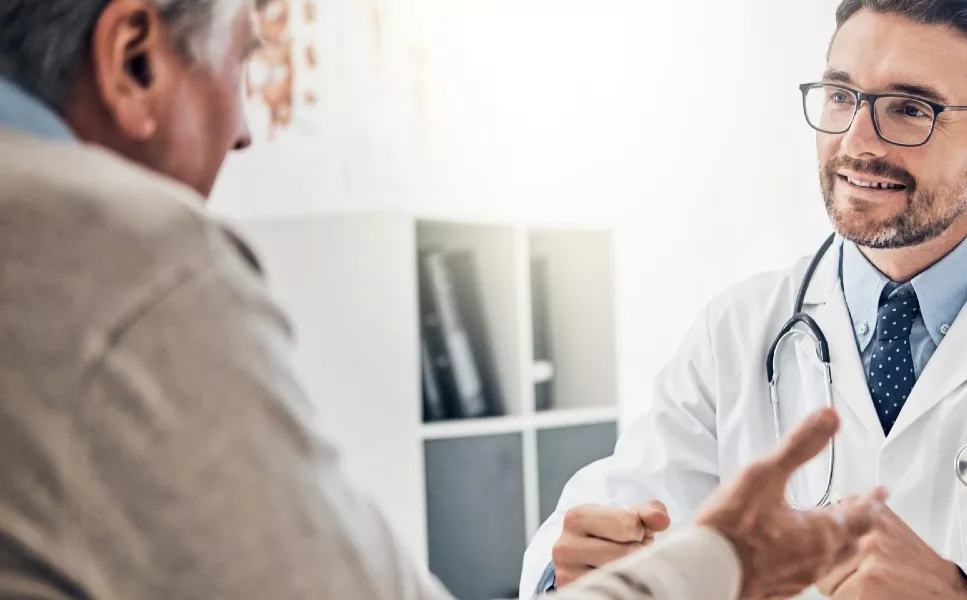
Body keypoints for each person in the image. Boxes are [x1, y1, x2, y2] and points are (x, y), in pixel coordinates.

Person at [0, 1, 886, 598]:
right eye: (243, 61)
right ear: (133, 58)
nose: (243, 127)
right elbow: (595, 522)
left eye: (911, 108)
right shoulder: (128, 257)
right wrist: (710, 562)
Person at [521, 1, 967, 598]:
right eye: (842, 97)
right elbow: (608, 511)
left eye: (911, 109)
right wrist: (582, 568)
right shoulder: (739, 328)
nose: (856, 142)